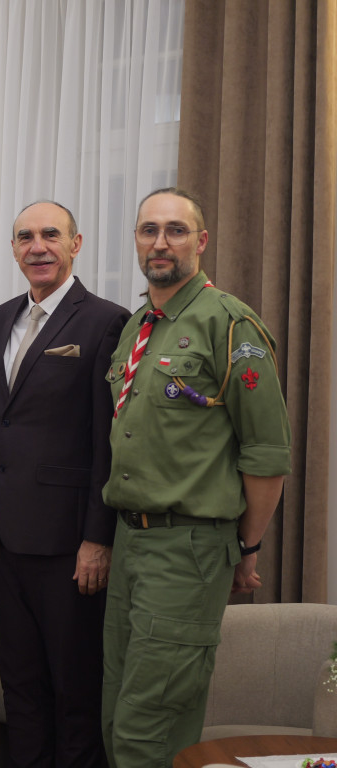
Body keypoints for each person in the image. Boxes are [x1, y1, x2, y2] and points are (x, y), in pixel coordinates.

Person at [101, 188, 291, 766]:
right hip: (129, 540)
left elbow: (266, 452)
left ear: (201, 241)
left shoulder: (230, 323)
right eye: (148, 229)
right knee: (116, 715)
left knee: (147, 729)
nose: (161, 242)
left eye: (176, 230)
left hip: (187, 547)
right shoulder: (137, 323)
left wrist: (247, 547)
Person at [0, 200, 129, 766]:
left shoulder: (106, 320)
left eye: (50, 235)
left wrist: (98, 537)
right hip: (5, 538)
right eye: (25, 236)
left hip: (71, 544)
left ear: (77, 244)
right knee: (21, 686)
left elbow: (107, 437)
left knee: (75, 691)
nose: (37, 246)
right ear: (14, 247)